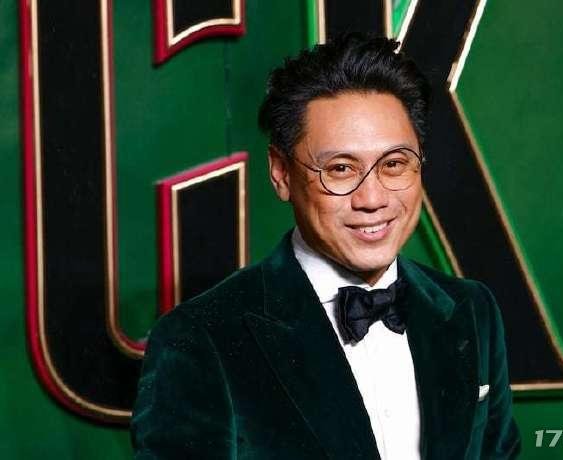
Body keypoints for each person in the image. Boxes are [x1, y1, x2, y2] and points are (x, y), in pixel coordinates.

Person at [131, 33, 521, 459]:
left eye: (394, 164)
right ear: (281, 173)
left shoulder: (472, 310)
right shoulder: (197, 338)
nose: (372, 199)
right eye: (340, 169)